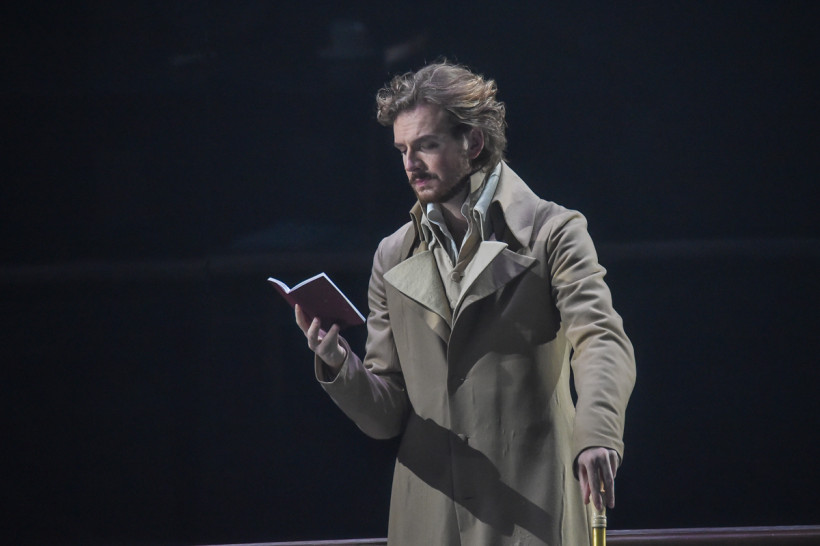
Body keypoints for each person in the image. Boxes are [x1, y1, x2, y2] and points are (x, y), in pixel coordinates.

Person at [294, 61, 636, 546]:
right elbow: (386, 415)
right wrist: (337, 364)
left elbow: (600, 339)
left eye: (426, 145)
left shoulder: (552, 233)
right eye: (402, 149)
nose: (410, 163)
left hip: (532, 509)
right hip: (428, 519)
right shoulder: (392, 255)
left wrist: (597, 434)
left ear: (473, 142)